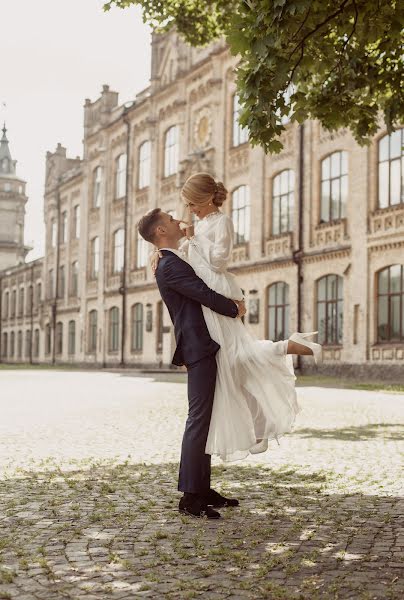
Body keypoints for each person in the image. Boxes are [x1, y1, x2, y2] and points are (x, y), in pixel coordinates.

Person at [151, 172, 322, 462]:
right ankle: (285, 351)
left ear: (205, 199)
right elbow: (182, 254)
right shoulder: (201, 224)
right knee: (229, 360)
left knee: (233, 354)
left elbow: (218, 260)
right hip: (204, 287)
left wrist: (192, 241)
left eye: (192, 203)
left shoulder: (222, 222)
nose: (188, 210)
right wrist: (159, 251)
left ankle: (283, 354)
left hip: (217, 287)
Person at [137, 208, 246, 519]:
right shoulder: (169, 265)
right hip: (199, 345)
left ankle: (202, 487)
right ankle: (189, 497)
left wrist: (189, 234)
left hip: (205, 342)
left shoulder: (172, 257)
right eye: (170, 220)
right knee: (198, 419)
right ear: (159, 232)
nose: (177, 221)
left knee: (206, 417)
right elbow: (201, 293)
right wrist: (234, 307)